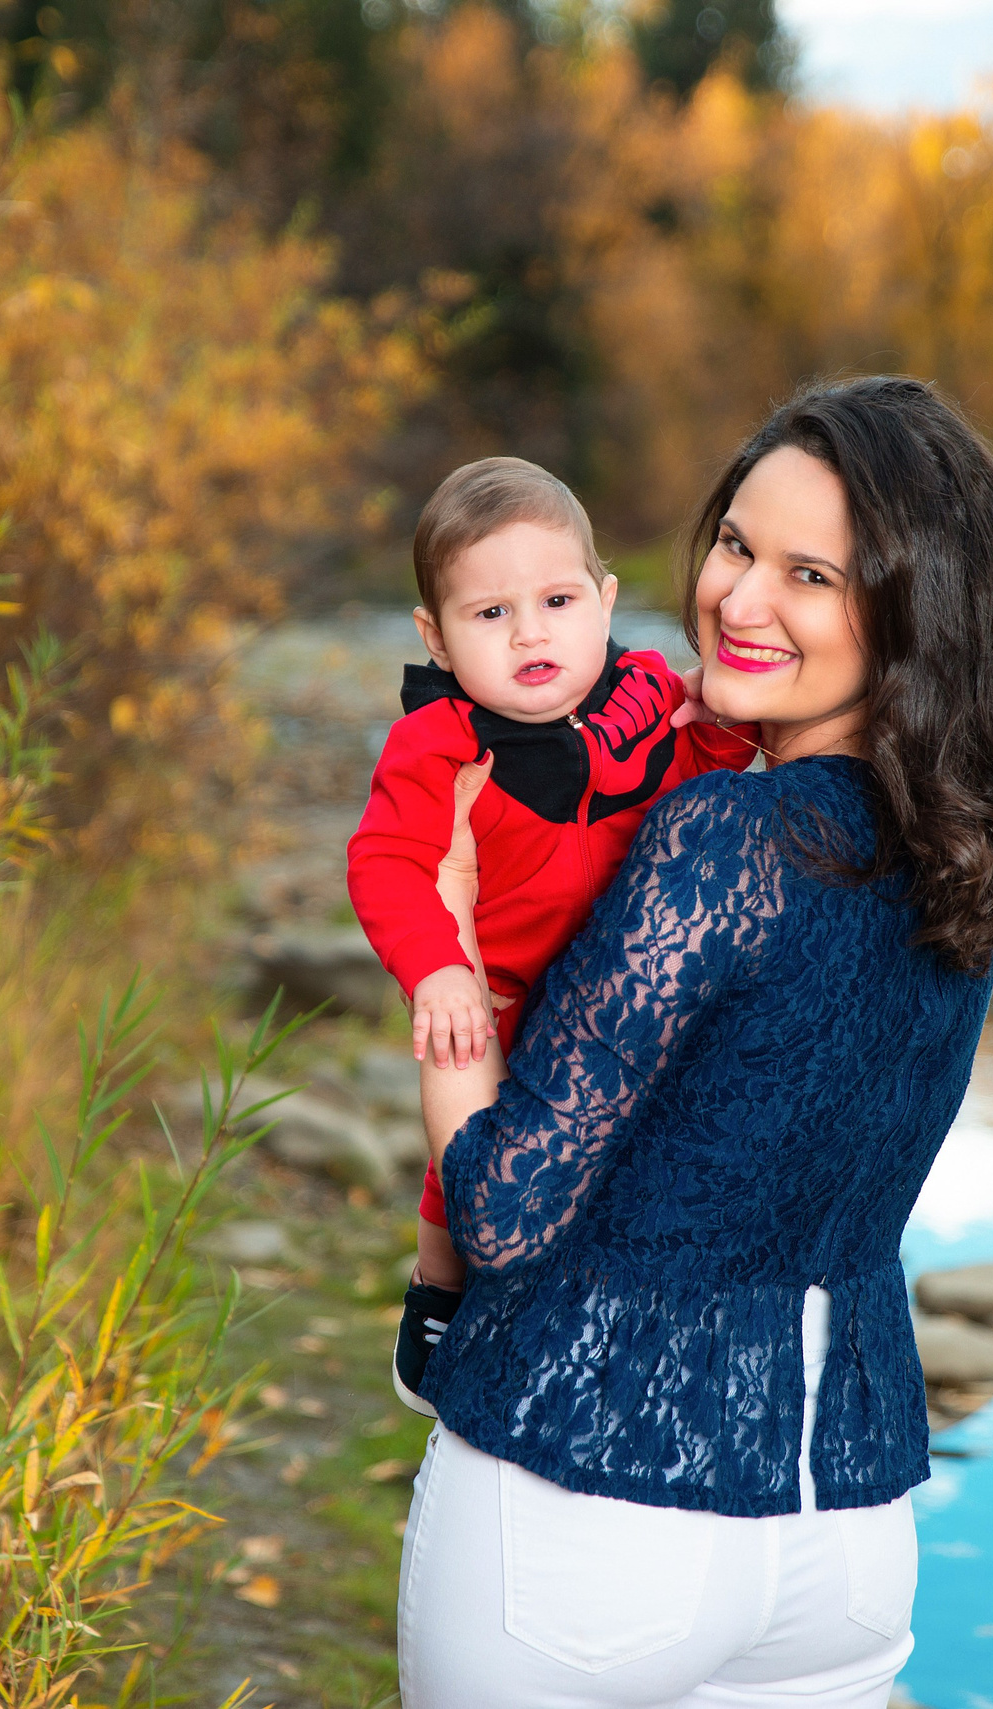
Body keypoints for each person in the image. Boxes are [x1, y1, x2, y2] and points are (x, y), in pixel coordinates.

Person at [397, 377, 993, 1708]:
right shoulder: (963, 847)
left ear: (909, 613)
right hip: (842, 1538)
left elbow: (503, 1206)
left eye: (810, 574)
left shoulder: (727, 841)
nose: (738, 599)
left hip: (590, 1511)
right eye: (736, 544)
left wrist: (445, 950)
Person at [346, 456, 759, 1414]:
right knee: (470, 1153)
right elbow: (386, 863)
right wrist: (438, 968)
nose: (531, 630)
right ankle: (437, 1290)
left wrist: (726, 719)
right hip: (505, 991)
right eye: (489, 614)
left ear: (605, 602)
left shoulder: (648, 693)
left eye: (558, 599)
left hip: (624, 994)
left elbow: (715, 764)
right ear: (437, 639)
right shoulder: (438, 743)